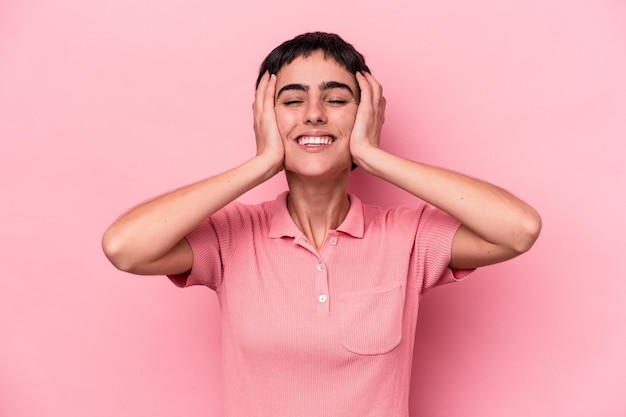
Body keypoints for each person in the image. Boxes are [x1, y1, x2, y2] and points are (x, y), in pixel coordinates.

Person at [102, 32, 541, 417]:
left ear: (365, 114)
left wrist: (374, 155)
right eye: (292, 101)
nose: (314, 114)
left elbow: (518, 229)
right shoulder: (230, 237)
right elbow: (125, 247)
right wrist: (261, 164)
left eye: (335, 100)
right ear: (265, 117)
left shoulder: (407, 237)